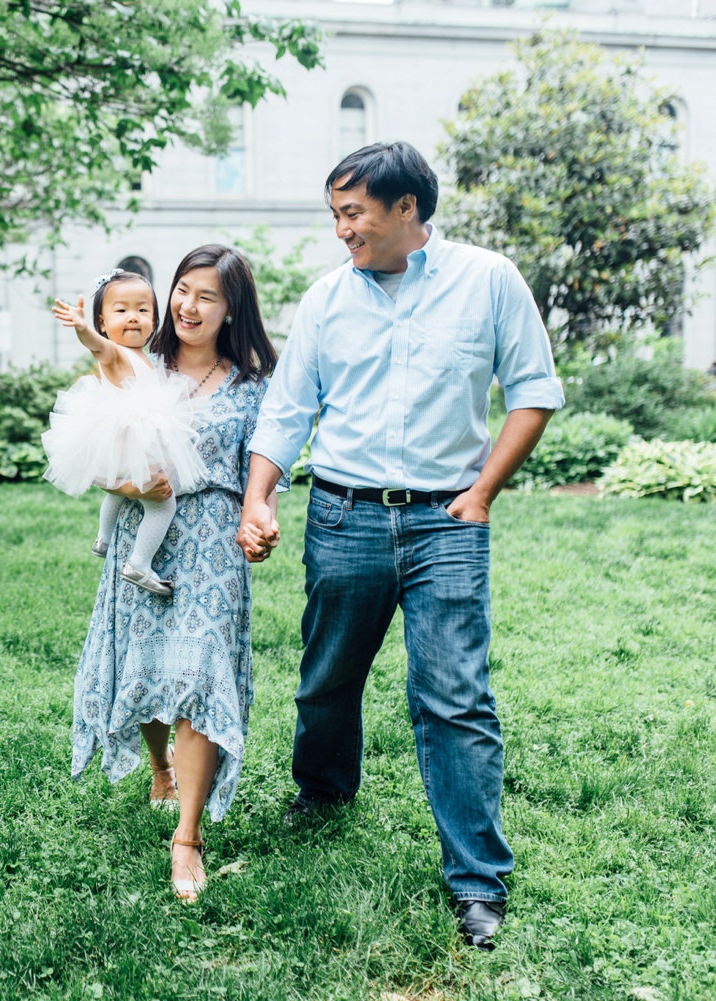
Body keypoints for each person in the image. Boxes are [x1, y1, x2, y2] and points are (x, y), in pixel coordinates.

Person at [236, 142, 563, 950]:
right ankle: (322, 793)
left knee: (455, 697)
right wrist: (258, 495)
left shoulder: (488, 281)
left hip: (445, 521)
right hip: (344, 515)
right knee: (326, 678)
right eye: (336, 214)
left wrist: (481, 492)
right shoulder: (325, 299)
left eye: (354, 213)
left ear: (407, 210)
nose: (342, 230)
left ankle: (478, 883)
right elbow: (286, 409)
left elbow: (534, 391)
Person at [70, 245, 283, 902]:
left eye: (207, 297)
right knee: (148, 665)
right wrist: (128, 480)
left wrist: (263, 518)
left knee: (197, 674)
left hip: (215, 548)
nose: (188, 306)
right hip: (147, 531)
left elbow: (265, 474)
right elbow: (91, 444)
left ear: (232, 309)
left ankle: (187, 836)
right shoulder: (139, 365)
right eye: (183, 290)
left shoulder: (255, 387)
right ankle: (159, 765)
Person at [44, 269, 209, 596]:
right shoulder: (115, 352)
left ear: (154, 320)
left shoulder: (144, 357)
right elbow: (98, 348)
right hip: (132, 438)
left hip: (128, 441)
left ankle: (103, 538)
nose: (133, 318)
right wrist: (83, 329)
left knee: (117, 491)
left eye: (142, 310)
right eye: (121, 311)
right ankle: (139, 563)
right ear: (103, 323)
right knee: (163, 503)